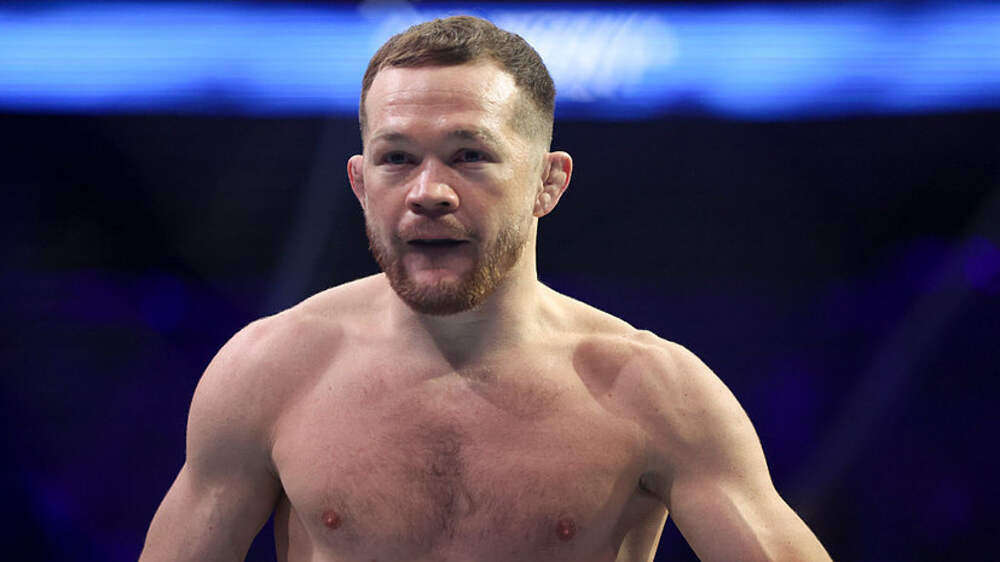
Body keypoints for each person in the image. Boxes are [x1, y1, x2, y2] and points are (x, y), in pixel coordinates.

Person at [139, 15, 831, 562]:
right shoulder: (268, 371)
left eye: (469, 155)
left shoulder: (654, 391)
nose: (428, 191)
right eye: (396, 158)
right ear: (360, 182)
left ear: (548, 182)